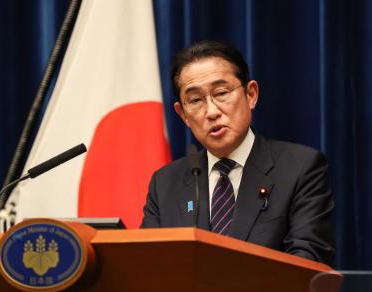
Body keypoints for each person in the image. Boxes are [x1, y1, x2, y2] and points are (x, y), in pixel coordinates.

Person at [141, 40, 334, 265]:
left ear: (250, 94)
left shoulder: (300, 168)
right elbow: (149, 265)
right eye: (195, 100)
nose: (211, 112)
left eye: (221, 93)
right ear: (183, 114)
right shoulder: (165, 183)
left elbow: (307, 262)